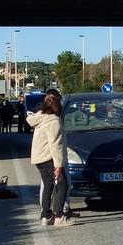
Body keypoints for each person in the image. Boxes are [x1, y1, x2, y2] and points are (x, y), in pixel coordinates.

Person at [27, 90, 70, 225]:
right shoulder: (54, 121)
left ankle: (46, 216)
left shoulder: (41, 118)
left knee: (48, 185)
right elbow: (55, 145)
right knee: (63, 186)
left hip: (39, 158)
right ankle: (59, 216)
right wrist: (58, 165)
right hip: (49, 158)